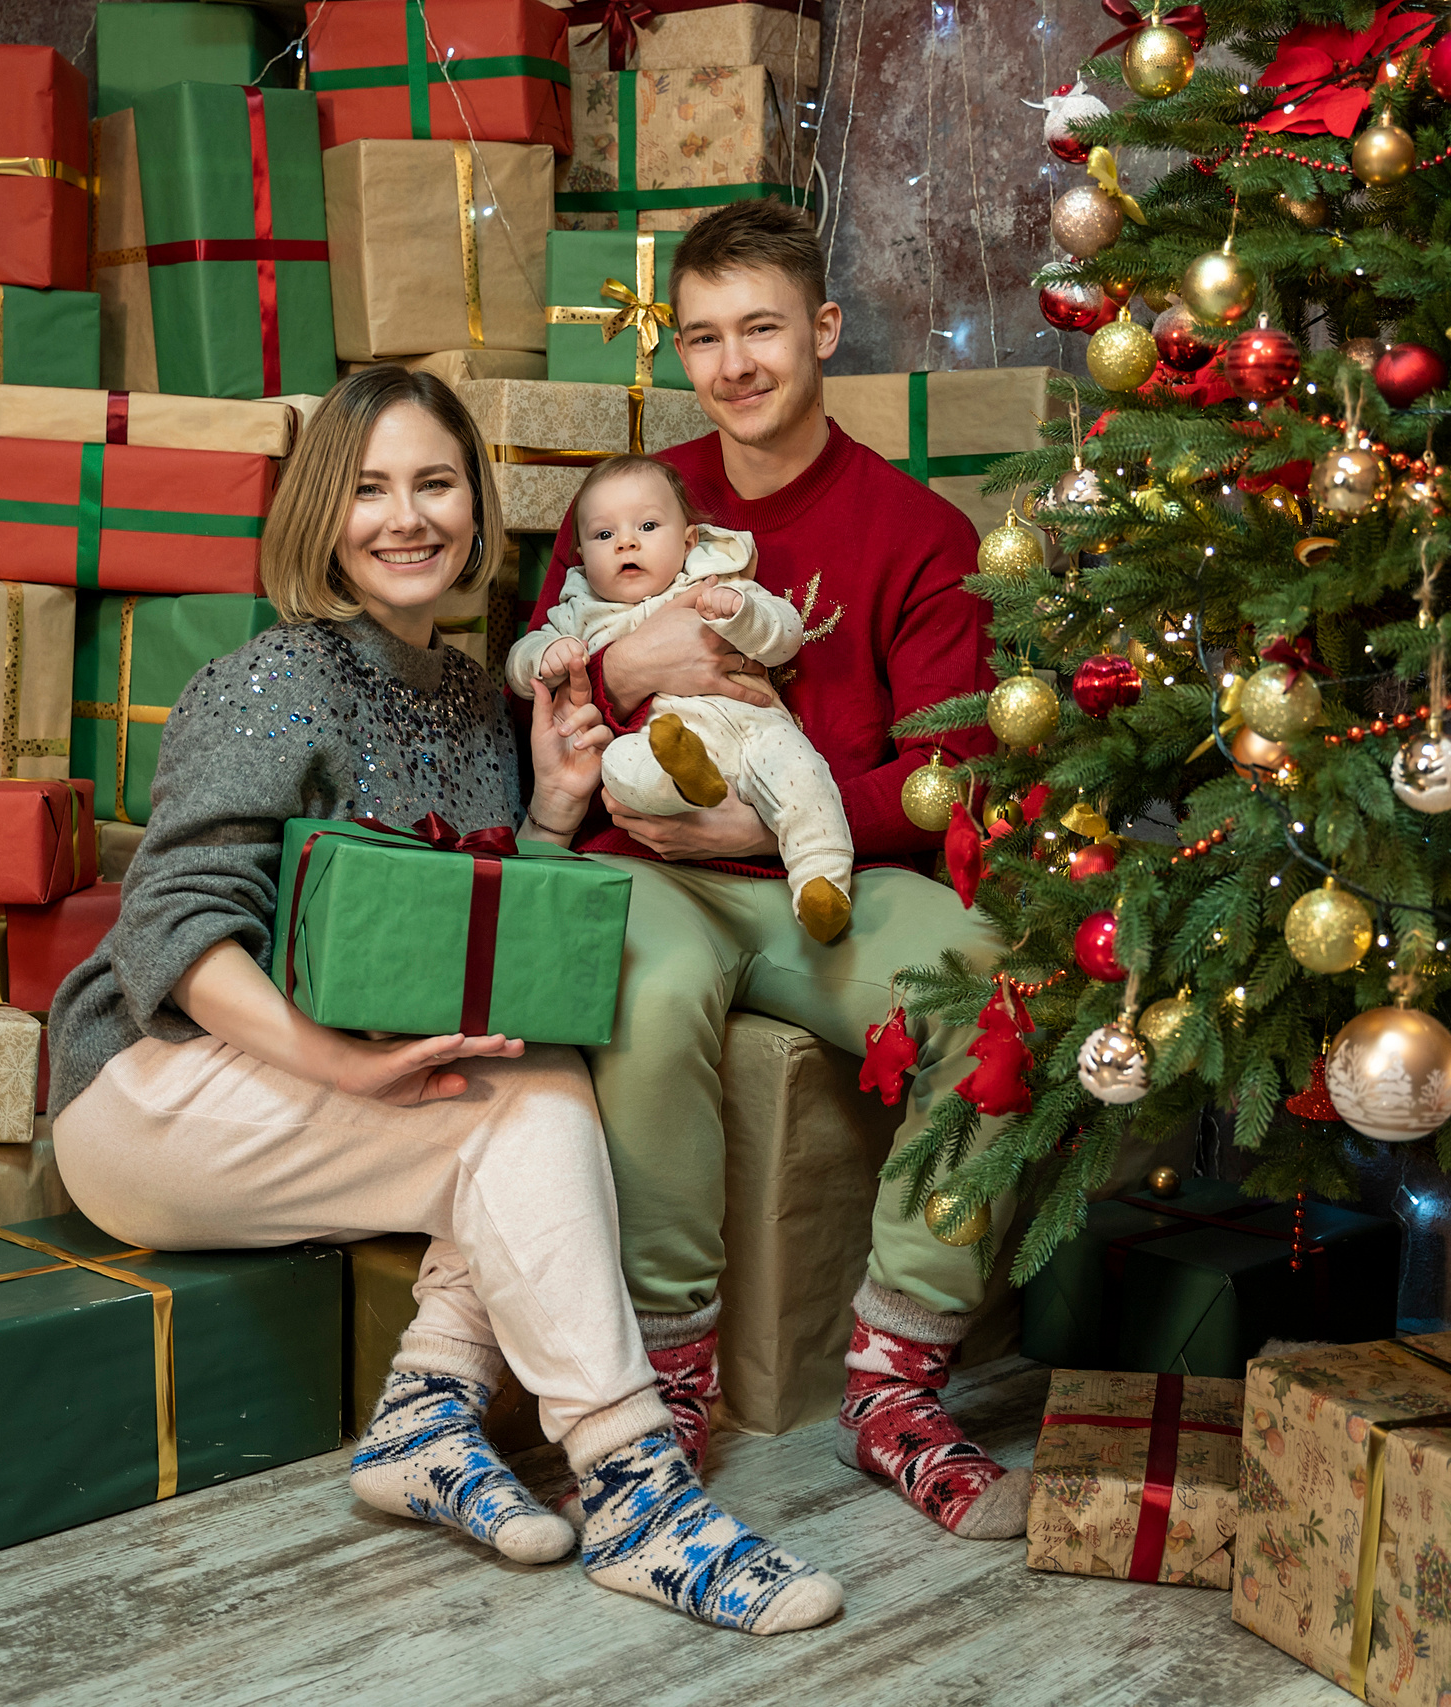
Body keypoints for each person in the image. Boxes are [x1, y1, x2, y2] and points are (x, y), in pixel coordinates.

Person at [46, 365, 842, 1635]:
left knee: (530, 1063)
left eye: (434, 483)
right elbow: (176, 934)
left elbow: (472, 944)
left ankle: (425, 1414)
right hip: (152, 1091)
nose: (404, 517)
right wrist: (339, 1063)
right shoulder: (270, 677)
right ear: (321, 518)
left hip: (311, 1089)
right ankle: (638, 1490)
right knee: (519, 1104)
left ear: (477, 509)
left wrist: (550, 810)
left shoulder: (483, 697)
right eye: (367, 490)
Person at [531, 201, 1020, 1540]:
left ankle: (895, 1378)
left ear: (822, 330)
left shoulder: (915, 530)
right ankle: (667, 1378)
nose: (735, 363)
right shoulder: (639, 501)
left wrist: (776, 830)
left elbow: (948, 771)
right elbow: (549, 666)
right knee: (640, 982)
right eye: (704, 336)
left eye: (761, 329)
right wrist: (630, 664)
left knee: (995, 996)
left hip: (829, 866)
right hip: (655, 864)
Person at [505, 454, 853, 943]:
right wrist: (544, 656)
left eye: (647, 526)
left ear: (688, 539)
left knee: (801, 772)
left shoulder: (717, 582)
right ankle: (684, 783)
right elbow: (519, 669)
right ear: (581, 553)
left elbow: (785, 633)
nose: (626, 541)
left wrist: (741, 614)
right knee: (622, 764)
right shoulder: (580, 613)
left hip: (756, 731)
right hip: (665, 743)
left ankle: (821, 882)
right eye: (604, 535)